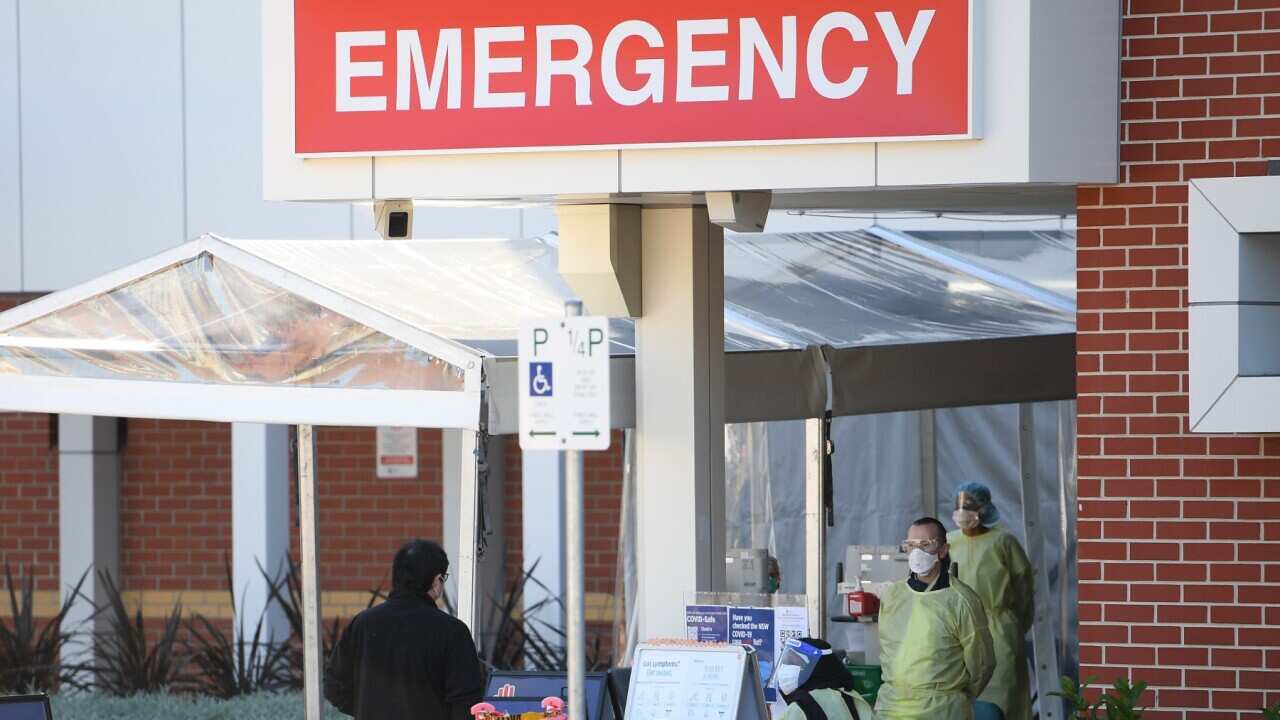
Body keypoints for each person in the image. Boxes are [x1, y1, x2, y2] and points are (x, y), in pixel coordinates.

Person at [325, 539, 485, 720]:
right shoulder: (453, 632)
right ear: (437, 580)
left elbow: (333, 686)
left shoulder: (362, 624)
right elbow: (466, 705)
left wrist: (370, 709)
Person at [875, 518, 995, 720]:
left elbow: (982, 664)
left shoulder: (962, 601)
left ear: (943, 550)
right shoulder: (893, 596)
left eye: (925, 544)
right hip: (892, 707)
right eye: (911, 545)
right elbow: (888, 652)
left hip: (942, 710)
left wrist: (953, 696)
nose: (917, 552)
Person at [947, 482, 1034, 720]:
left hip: (999, 629)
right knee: (963, 695)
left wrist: (1015, 623)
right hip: (961, 629)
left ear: (984, 509)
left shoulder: (1003, 542)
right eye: (959, 506)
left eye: (969, 506)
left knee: (1003, 693)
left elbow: (1024, 588)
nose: (962, 512)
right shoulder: (949, 542)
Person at [775, 637, 877, 720]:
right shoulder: (853, 699)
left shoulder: (800, 707)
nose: (787, 668)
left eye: (794, 663)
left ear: (814, 667)